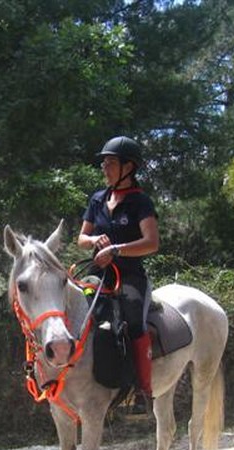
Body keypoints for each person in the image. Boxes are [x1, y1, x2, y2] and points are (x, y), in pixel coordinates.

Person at [77, 135, 159, 417]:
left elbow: (151, 242)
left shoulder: (141, 202)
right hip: (98, 275)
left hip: (130, 277)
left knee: (133, 320)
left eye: (110, 162)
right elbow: (81, 238)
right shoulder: (97, 199)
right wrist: (95, 240)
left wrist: (117, 249)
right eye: (104, 162)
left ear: (129, 167)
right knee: (78, 313)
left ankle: (142, 390)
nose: (104, 167)